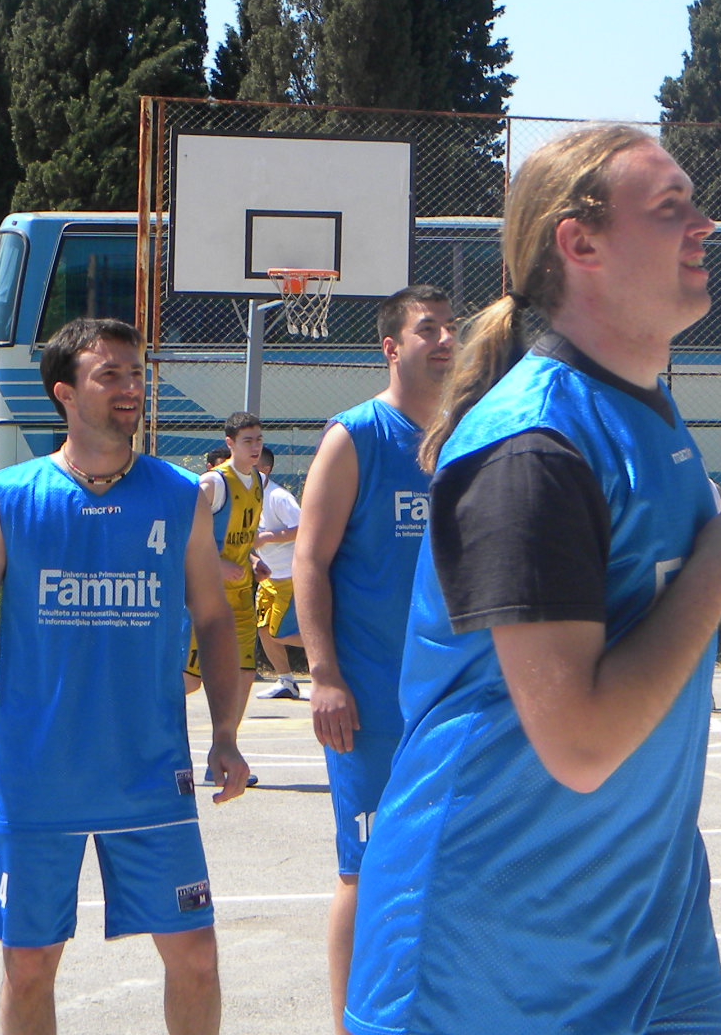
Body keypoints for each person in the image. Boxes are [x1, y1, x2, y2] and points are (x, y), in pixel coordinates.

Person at [345, 126, 721, 1035]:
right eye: (671, 208)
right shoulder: (533, 447)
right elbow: (578, 743)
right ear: (580, 244)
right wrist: (718, 572)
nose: (704, 224)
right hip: (490, 957)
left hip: (645, 924)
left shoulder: (644, 410)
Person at [0, 317, 250, 1035]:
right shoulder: (11, 498)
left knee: (197, 957)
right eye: (109, 374)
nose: (130, 386)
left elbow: (214, 619)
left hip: (149, 771)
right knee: (28, 967)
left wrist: (226, 733)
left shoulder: (180, 496)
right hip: (38, 777)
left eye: (136, 373)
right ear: (65, 392)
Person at [294, 286, 455, 1032]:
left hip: (452, 702)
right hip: (371, 701)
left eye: (452, 327)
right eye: (429, 329)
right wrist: (324, 675)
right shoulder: (355, 436)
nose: (446, 339)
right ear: (391, 348)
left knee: (451, 870)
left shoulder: (468, 438)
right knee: (363, 872)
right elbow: (309, 560)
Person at [184, 413, 266, 700]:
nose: (255, 446)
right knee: (189, 679)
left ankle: (228, 730)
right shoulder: (213, 483)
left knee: (244, 672)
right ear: (230, 443)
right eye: (247, 441)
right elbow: (179, 531)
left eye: (259, 439)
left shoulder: (258, 480)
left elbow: (242, 535)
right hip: (207, 591)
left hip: (240, 593)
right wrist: (216, 564)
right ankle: (142, 720)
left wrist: (253, 560)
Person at [252, 446, 305, 699]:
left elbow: (303, 528)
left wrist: (267, 537)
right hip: (268, 577)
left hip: (290, 576)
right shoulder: (246, 497)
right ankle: (286, 681)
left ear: (265, 469)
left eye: (253, 465)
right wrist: (254, 559)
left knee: (280, 633)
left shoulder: (279, 497)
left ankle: (337, 648)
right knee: (263, 629)